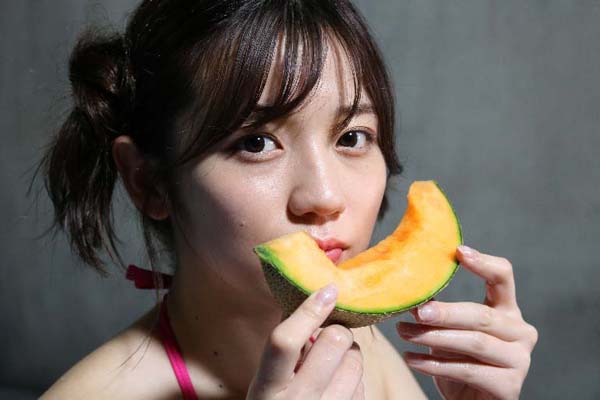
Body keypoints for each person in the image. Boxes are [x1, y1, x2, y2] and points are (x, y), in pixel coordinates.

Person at [36, 0, 538, 399]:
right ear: (148, 181)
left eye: (352, 137)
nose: (324, 196)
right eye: (256, 143)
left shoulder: (356, 345)